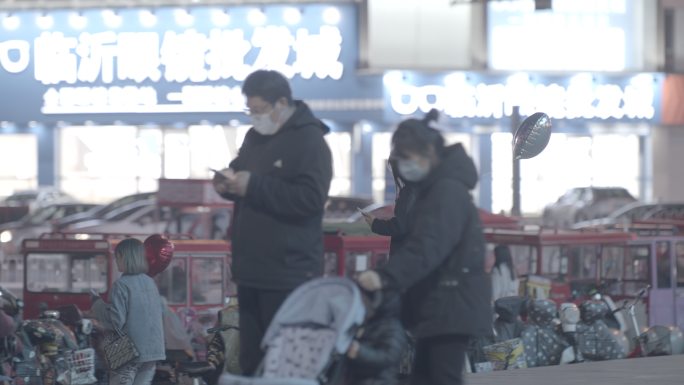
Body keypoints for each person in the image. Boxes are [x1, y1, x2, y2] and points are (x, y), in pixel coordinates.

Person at [212, 69, 333, 375]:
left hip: (288, 272)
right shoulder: (255, 138)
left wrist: (253, 186)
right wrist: (226, 182)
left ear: (282, 103)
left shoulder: (309, 141)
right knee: (253, 361)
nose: (255, 118)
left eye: (260, 110)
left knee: (283, 361)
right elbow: (239, 170)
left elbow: (310, 199)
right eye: (250, 111)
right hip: (251, 270)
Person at [356, 117, 492, 385]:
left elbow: (427, 246)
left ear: (428, 153)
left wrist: (384, 276)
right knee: (426, 377)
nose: (404, 166)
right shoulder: (433, 189)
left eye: (407, 157)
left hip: (451, 304)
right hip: (440, 303)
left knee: (441, 378)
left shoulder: (446, 191)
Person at [91, 238, 165, 385]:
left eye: (117, 257)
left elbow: (116, 322)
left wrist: (96, 303)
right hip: (153, 351)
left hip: (127, 351)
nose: (116, 261)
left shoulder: (121, 285)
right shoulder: (150, 282)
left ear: (126, 258)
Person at [346, 290, 407, 385]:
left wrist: (359, 352)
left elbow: (389, 357)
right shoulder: (367, 323)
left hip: (379, 381)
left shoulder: (394, 329)